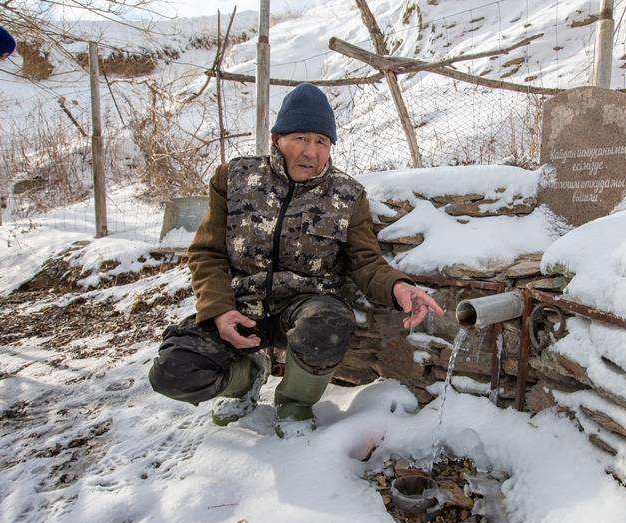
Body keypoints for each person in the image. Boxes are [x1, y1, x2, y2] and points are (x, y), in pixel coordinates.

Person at [149, 83, 444, 436]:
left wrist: (399, 286)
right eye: (301, 138)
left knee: (328, 322)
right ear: (277, 139)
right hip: (239, 306)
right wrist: (218, 309)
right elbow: (207, 253)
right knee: (173, 371)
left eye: (322, 141)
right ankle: (246, 380)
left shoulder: (347, 196)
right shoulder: (235, 179)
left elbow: (365, 261)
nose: (311, 151)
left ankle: (294, 403)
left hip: (306, 305)